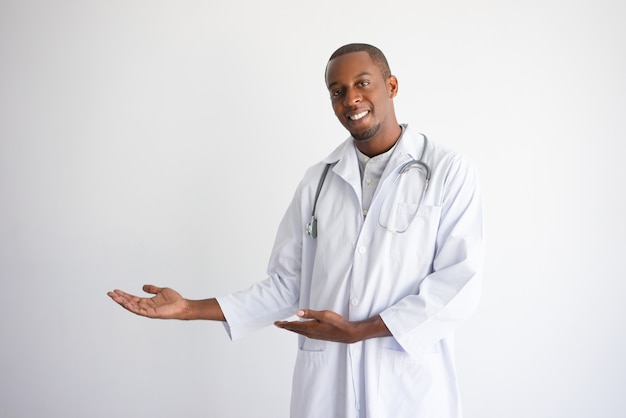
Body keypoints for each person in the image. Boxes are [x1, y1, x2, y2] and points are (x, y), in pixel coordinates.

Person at [108, 43, 483, 418]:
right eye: (337, 91)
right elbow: (288, 284)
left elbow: (458, 284)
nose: (351, 99)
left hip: (407, 388)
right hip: (327, 389)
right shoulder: (318, 180)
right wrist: (190, 308)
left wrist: (360, 330)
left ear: (391, 86)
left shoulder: (448, 170)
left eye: (362, 83)